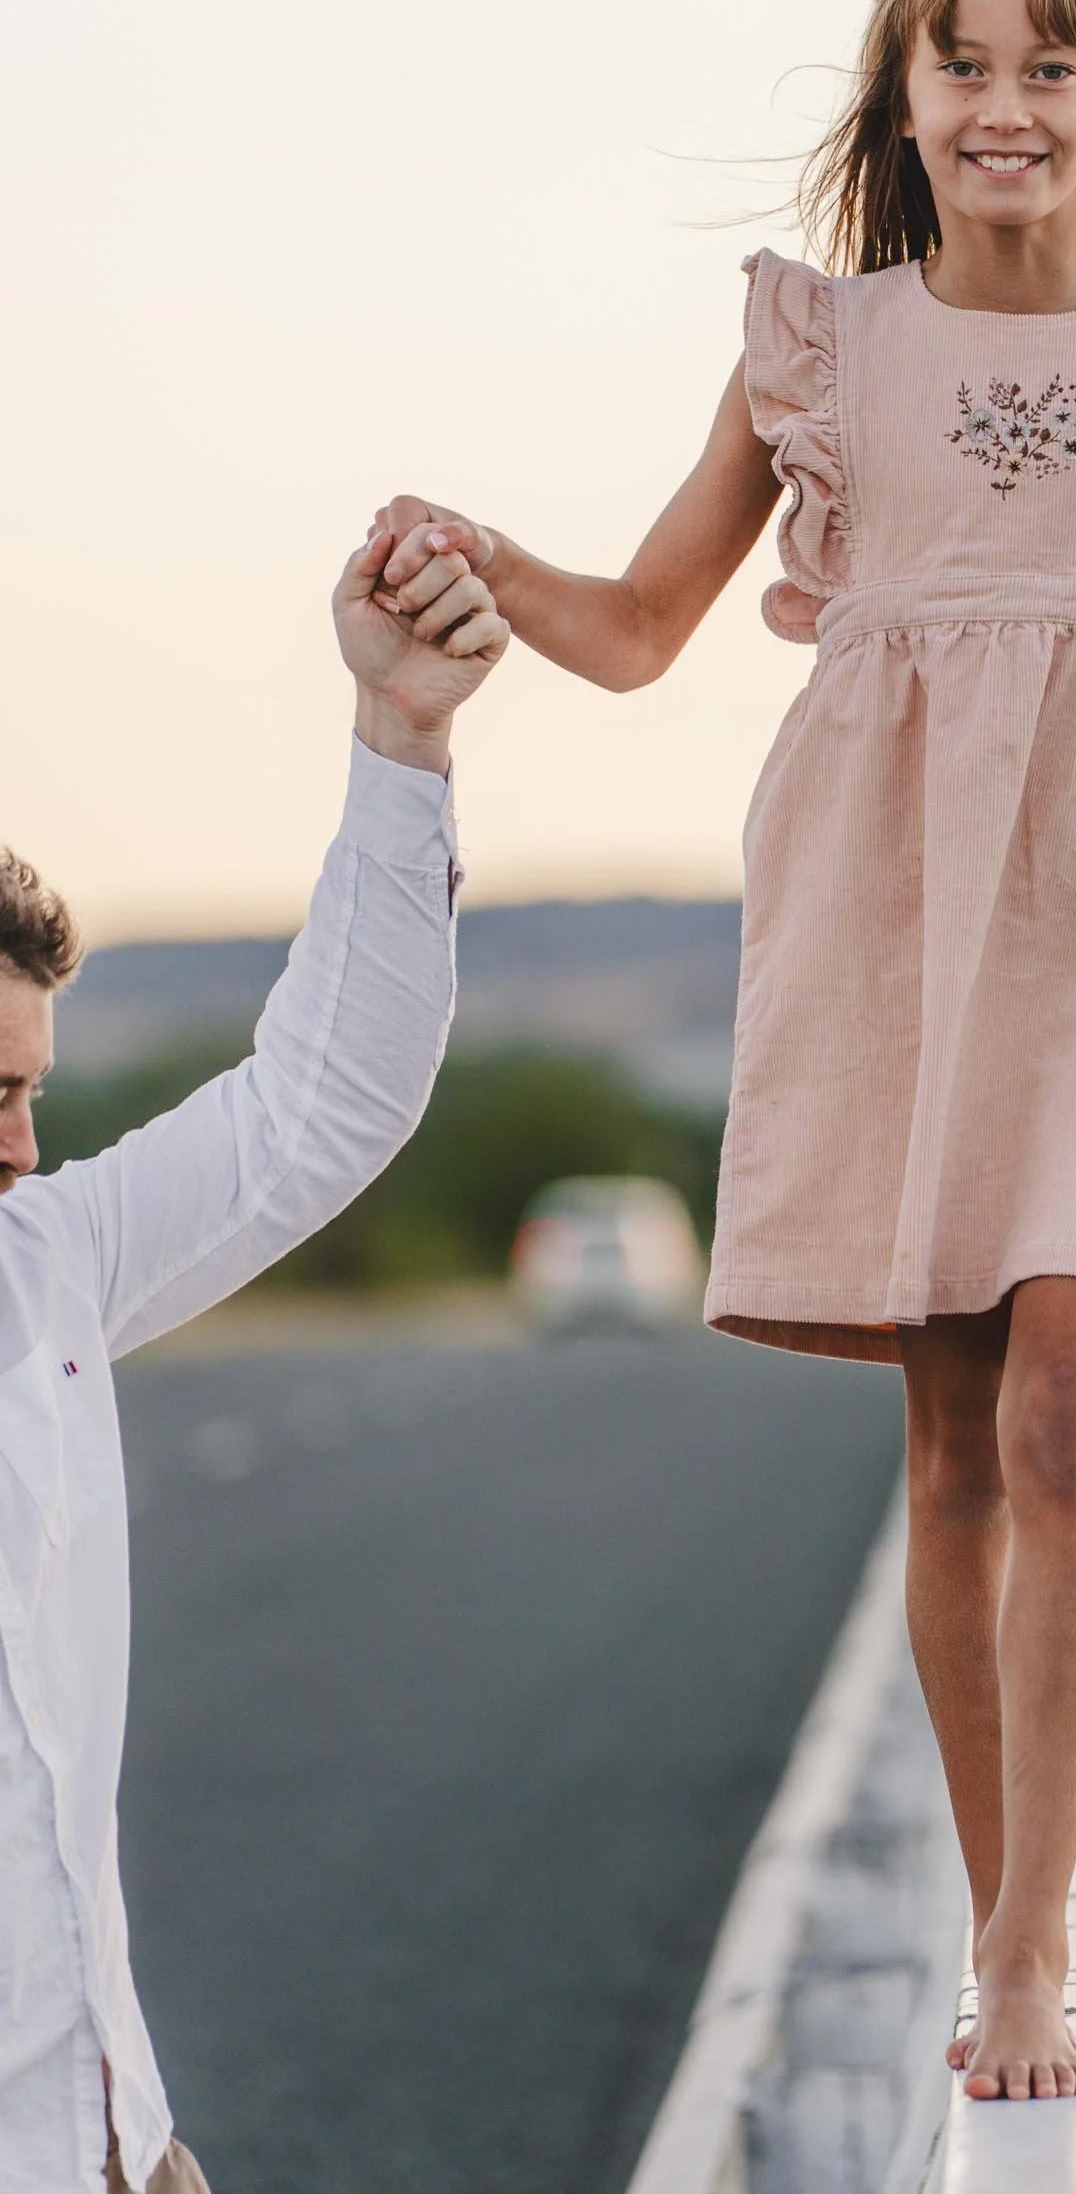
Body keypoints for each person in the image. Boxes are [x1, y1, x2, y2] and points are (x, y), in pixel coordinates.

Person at [370, 0, 1076, 2103]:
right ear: (901, 93)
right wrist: (472, 553)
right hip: (880, 909)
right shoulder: (825, 348)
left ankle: (1017, 1955)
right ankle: (1011, 1925)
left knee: (1065, 1401)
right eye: (961, 61)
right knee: (949, 1441)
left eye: (1048, 64)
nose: (1004, 103)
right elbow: (629, 627)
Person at [0, 530, 507, 2194]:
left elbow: (317, 1111)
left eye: (27, 1097)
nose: (18, 1148)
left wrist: (404, 742)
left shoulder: (45, 1273)